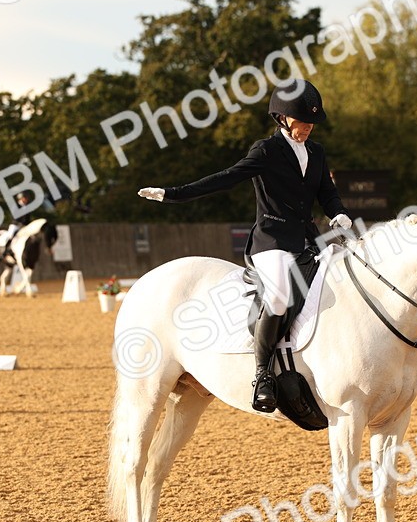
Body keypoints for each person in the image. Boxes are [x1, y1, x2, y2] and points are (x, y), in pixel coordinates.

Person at [137, 79, 352, 413]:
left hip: (308, 240)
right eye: (302, 121)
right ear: (282, 118)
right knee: (280, 294)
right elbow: (226, 177)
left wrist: (338, 212)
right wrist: (174, 194)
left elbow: (327, 192)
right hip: (272, 241)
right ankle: (263, 374)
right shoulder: (266, 151)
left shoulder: (317, 153)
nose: (308, 127)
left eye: (312, 122)